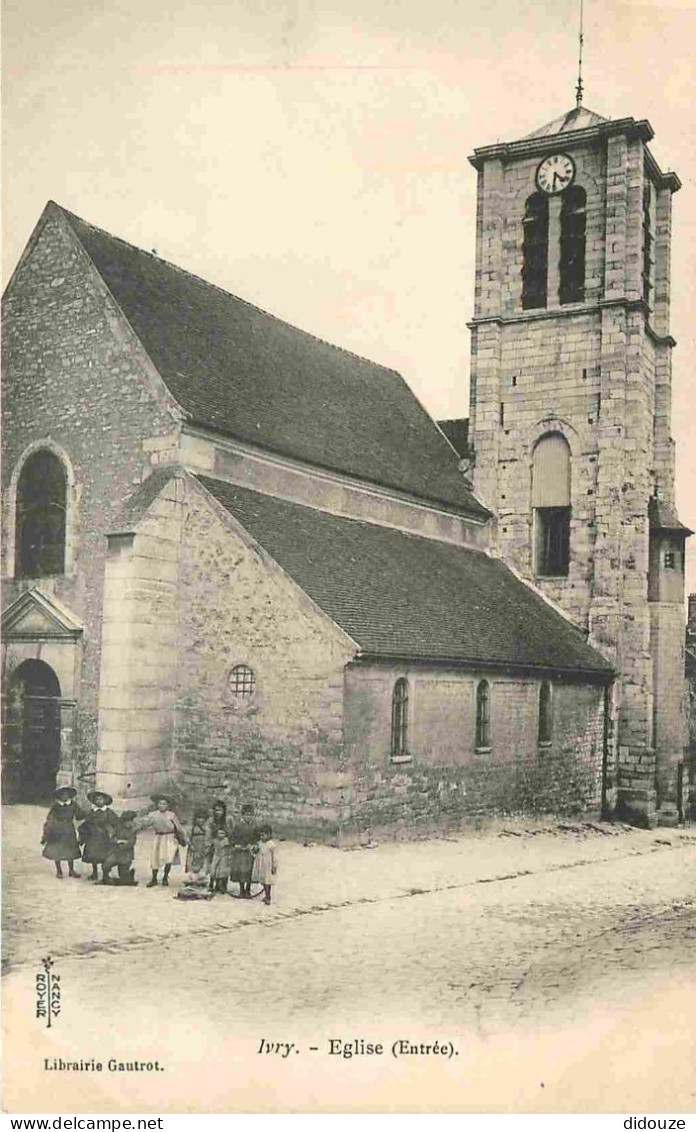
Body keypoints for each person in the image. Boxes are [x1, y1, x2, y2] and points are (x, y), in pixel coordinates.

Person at [137, 794, 186, 888]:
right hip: (158, 837)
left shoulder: (171, 815)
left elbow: (178, 827)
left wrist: (182, 837)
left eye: (164, 804)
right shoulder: (153, 815)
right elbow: (145, 823)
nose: (162, 805)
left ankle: (165, 877)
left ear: (168, 805)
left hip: (170, 837)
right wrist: (138, 824)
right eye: (160, 803)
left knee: (169, 857)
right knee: (154, 857)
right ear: (157, 804)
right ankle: (154, 878)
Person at [40, 785, 83, 879]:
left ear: (69, 795)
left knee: (70, 850)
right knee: (57, 850)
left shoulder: (73, 804)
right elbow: (50, 817)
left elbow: (79, 815)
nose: (64, 796)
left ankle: (71, 870)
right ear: (59, 796)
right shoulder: (56, 806)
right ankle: (59, 870)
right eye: (62, 794)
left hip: (69, 829)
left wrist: (86, 813)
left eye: (66, 794)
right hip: (57, 830)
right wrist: (49, 829)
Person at [78, 790, 118, 882]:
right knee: (93, 855)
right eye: (97, 799)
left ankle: (105, 874)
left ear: (105, 801)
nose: (99, 801)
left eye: (101, 799)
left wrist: (112, 832)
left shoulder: (108, 812)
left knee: (105, 855)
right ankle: (94, 872)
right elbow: (86, 823)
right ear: (94, 801)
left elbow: (116, 823)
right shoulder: (92, 812)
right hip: (93, 837)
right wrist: (82, 834)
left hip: (104, 837)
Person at [227, 802, 258, 898]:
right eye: (247, 815)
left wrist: (253, 845)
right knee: (241, 871)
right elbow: (232, 838)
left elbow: (257, 838)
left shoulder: (255, 826)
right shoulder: (238, 826)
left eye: (250, 815)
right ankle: (241, 889)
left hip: (249, 852)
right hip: (240, 852)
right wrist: (236, 845)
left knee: (249, 871)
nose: (249, 817)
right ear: (242, 815)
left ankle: (248, 890)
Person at [101, 811, 138, 885]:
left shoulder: (133, 831)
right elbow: (112, 839)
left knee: (123, 877)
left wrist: (121, 844)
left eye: (130, 821)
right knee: (106, 864)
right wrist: (117, 842)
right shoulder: (118, 828)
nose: (128, 823)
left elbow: (131, 843)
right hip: (116, 853)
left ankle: (128, 875)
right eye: (126, 821)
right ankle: (105, 877)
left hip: (126, 855)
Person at [251, 824, 277, 905]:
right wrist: (254, 850)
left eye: (264, 835)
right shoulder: (259, 843)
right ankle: (266, 895)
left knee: (267, 881)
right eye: (261, 835)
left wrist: (274, 866)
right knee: (263, 880)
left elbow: (274, 857)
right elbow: (254, 852)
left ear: (269, 835)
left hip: (267, 865)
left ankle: (268, 896)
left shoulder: (271, 844)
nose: (262, 837)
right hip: (261, 864)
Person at [184, 808, 209, 881]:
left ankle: (201, 877)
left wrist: (207, 847)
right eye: (199, 818)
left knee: (203, 862)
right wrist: (190, 845)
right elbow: (187, 837)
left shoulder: (207, 828)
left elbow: (208, 838)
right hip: (194, 847)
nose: (200, 820)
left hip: (203, 847)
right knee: (194, 861)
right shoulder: (192, 828)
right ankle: (193, 877)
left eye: (202, 818)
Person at [208, 827, 231, 895]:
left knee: (223, 872)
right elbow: (212, 849)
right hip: (216, 856)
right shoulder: (214, 841)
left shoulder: (226, 841)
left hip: (224, 857)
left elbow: (228, 850)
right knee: (214, 871)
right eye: (219, 833)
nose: (221, 835)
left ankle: (223, 886)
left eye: (222, 833)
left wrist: (228, 857)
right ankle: (215, 885)